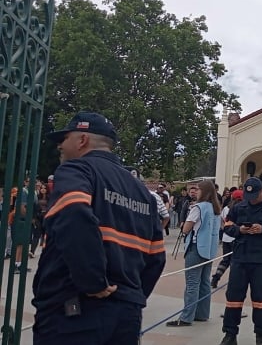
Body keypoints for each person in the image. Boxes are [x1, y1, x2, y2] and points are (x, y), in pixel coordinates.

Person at [33, 112, 166, 345]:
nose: (60, 147)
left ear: (82, 140)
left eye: (64, 139)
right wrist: (131, 296)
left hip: (73, 309)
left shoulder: (77, 170)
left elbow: (73, 214)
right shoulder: (141, 191)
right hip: (126, 314)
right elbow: (156, 255)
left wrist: (94, 282)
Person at [219, 177, 262, 345]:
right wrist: (239, 230)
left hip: (261, 260)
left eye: (254, 196)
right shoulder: (239, 206)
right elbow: (227, 226)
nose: (250, 200)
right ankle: (230, 334)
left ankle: (260, 335)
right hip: (240, 258)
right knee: (233, 297)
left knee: (260, 298)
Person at [167, 180, 221, 327]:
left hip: (196, 247)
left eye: (197, 189)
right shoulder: (215, 208)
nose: (195, 192)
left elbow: (186, 228)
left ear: (204, 191)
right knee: (204, 282)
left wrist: (185, 225)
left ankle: (186, 317)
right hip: (209, 248)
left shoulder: (198, 207)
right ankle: (202, 313)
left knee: (192, 283)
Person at [212, 189, 244, 288]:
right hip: (238, 237)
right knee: (237, 261)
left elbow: (222, 222)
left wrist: (225, 230)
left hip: (227, 238)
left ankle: (216, 278)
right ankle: (234, 282)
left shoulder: (226, 208)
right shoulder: (243, 208)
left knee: (225, 260)